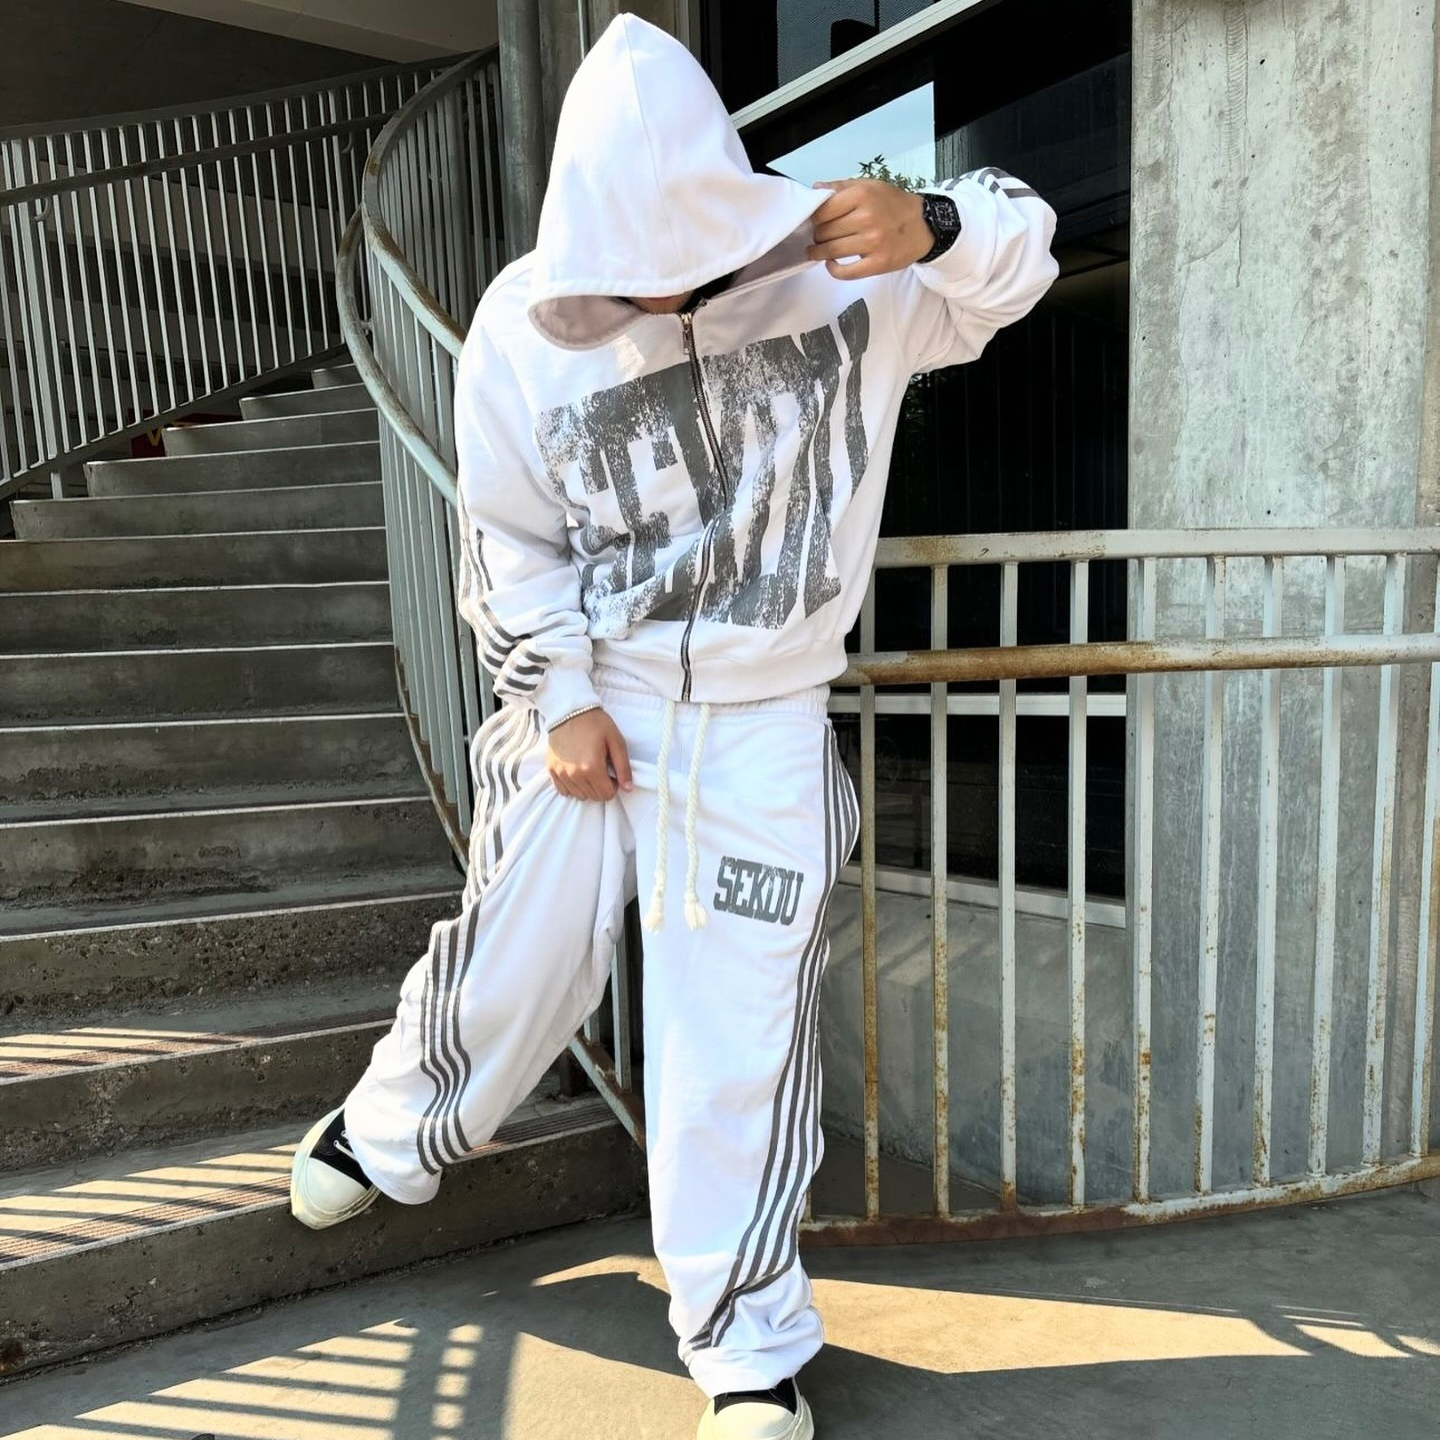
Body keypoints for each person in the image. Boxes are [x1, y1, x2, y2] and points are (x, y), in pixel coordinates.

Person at [289, 15, 1056, 1439]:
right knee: (517, 952)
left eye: (683, 260)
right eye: (628, 272)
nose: (658, 294)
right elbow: (508, 534)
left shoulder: (845, 261)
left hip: (764, 721)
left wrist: (938, 221)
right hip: (600, 697)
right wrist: (562, 696)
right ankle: (391, 1127)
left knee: (734, 1037)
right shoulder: (522, 319)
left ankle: (747, 1346)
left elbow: (1024, 253)